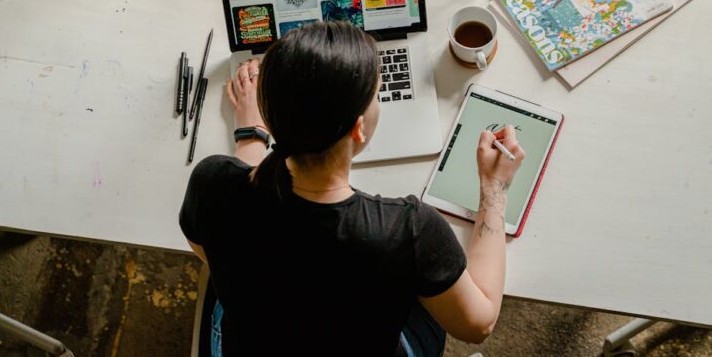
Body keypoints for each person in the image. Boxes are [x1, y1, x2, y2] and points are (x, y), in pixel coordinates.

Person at [179, 21, 524, 356]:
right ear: (358, 129)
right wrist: (494, 189)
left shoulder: (212, 183)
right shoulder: (407, 230)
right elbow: (477, 326)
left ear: (272, 117)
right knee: (423, 289)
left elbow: (207, 247)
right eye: (377, 95)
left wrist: (250, 132)